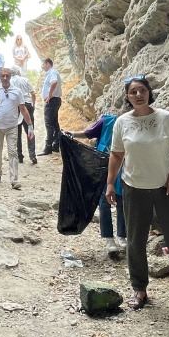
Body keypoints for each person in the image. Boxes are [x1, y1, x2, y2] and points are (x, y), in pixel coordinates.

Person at [106, 75, 169, 314]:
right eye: (132, 92)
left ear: (149, 92)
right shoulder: (122, 122)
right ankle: (139, 289)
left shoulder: (165, 118)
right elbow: (117, 154)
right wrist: (110, 184)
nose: (138, 95)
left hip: (165, 188)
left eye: (141, 90)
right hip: (134, 187)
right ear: (127, 97)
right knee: (135, 240)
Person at [72, 109, 127, 258]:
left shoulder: (134, 124)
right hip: (104, 165)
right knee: (105, 201)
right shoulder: (107, 121)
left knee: (123, 200)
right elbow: (89, 133)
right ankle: (109, 239)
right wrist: (71, 134)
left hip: (126, 167)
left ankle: (122, 235)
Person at [0, 66, 33, 189]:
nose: (5, 78)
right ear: (0, 77)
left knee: (13, 152)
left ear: (10, 76)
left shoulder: (17, 91)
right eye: (3, 76)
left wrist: (30, 126)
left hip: (12, 126)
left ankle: (14, 180)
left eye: (7, 75)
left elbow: (23, 109)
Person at [11, 67, 38, 165]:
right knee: (30, 131)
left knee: (17, 133)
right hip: (27, 105)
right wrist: (33, 105)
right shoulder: (25, 80)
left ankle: (20, 156)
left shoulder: (10, 81)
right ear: (19, 72)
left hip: (16, 107)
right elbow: (33, 94)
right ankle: (32, 155)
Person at [39, 58, 62, 155]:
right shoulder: (53, 72)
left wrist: (49, 95)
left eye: (43, 64)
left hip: (52, 101)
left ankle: (48, 148)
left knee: (49, 124)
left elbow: (54, 82)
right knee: (54, 123)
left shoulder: (52, 72)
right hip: (55, 100)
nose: (42, 66)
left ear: (47, 63)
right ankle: (55, 145)